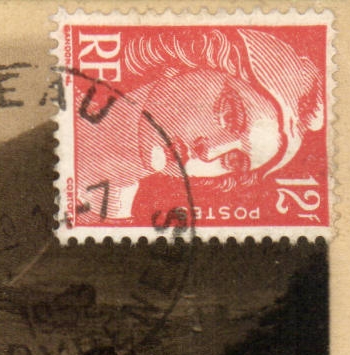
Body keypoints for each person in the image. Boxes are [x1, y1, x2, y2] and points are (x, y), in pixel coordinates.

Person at [73, 27, 324, 220]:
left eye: (233, 161)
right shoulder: (63, 101)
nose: (209, 151)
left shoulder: (110, 219)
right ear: (185, 65)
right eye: (230, 115)